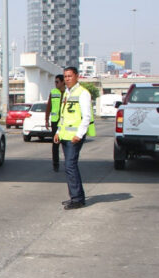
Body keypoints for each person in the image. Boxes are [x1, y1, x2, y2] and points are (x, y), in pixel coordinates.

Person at [53, 67, 94, 210]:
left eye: (70, 76)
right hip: (65, 135)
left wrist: (79, 134)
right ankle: (77, 197)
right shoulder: (67, 93)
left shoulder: (83, 93)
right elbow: (63, 115)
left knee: (70, 166)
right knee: (69, 166)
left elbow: (86, 116)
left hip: (74, 137)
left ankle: (77, 199)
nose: (67, 79)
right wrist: (58, 131)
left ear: (77, 76)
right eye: (65, 76)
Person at [45, 74, 65, 171]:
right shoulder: (53, 92)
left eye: (57, 82)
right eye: (55, 82)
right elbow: (49, 106)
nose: (55, 84)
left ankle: (68, 163)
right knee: (55, 143)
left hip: (65, 121)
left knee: (66, 143)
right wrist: (46, 119)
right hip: (55, 121)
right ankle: (55, 164)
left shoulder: (68, 92)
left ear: (62, 82)